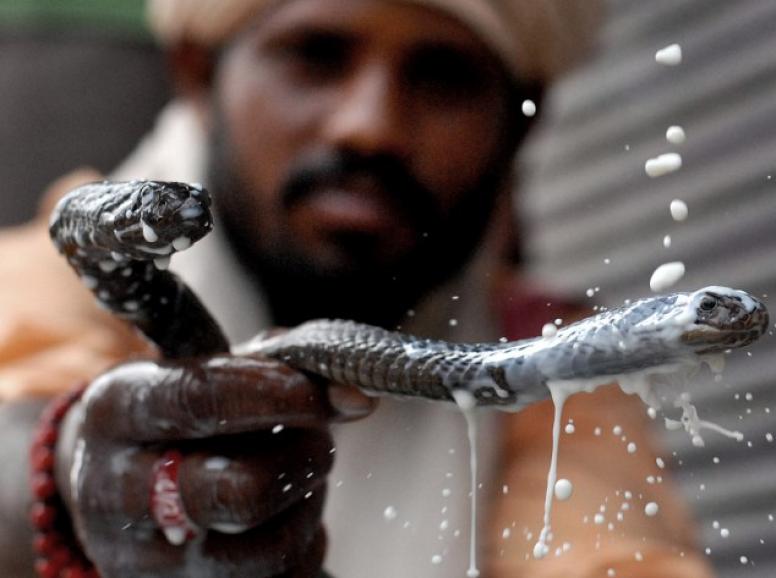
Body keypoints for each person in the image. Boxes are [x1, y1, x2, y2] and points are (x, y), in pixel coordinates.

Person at [0, 1, 714, 576]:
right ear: (198, 74)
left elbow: (605, 554)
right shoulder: (59, 270)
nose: (370, 127)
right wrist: (73, 473)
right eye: (315, 56)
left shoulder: (549, 357)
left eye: (442, 78)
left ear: (521, 122)